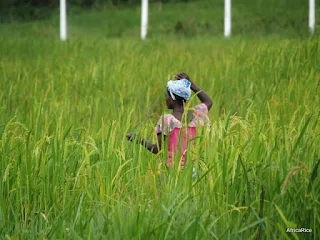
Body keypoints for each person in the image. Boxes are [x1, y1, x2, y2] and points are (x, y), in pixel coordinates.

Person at [126, 72, 212, 167]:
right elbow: (208, 101)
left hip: (172, 170)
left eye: (167, 96)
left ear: (172, 99)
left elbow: (158, 150)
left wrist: (139, 140)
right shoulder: (197, 114)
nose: (165, 99)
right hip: (193, 168)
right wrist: (191, 84)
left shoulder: (167, 120)